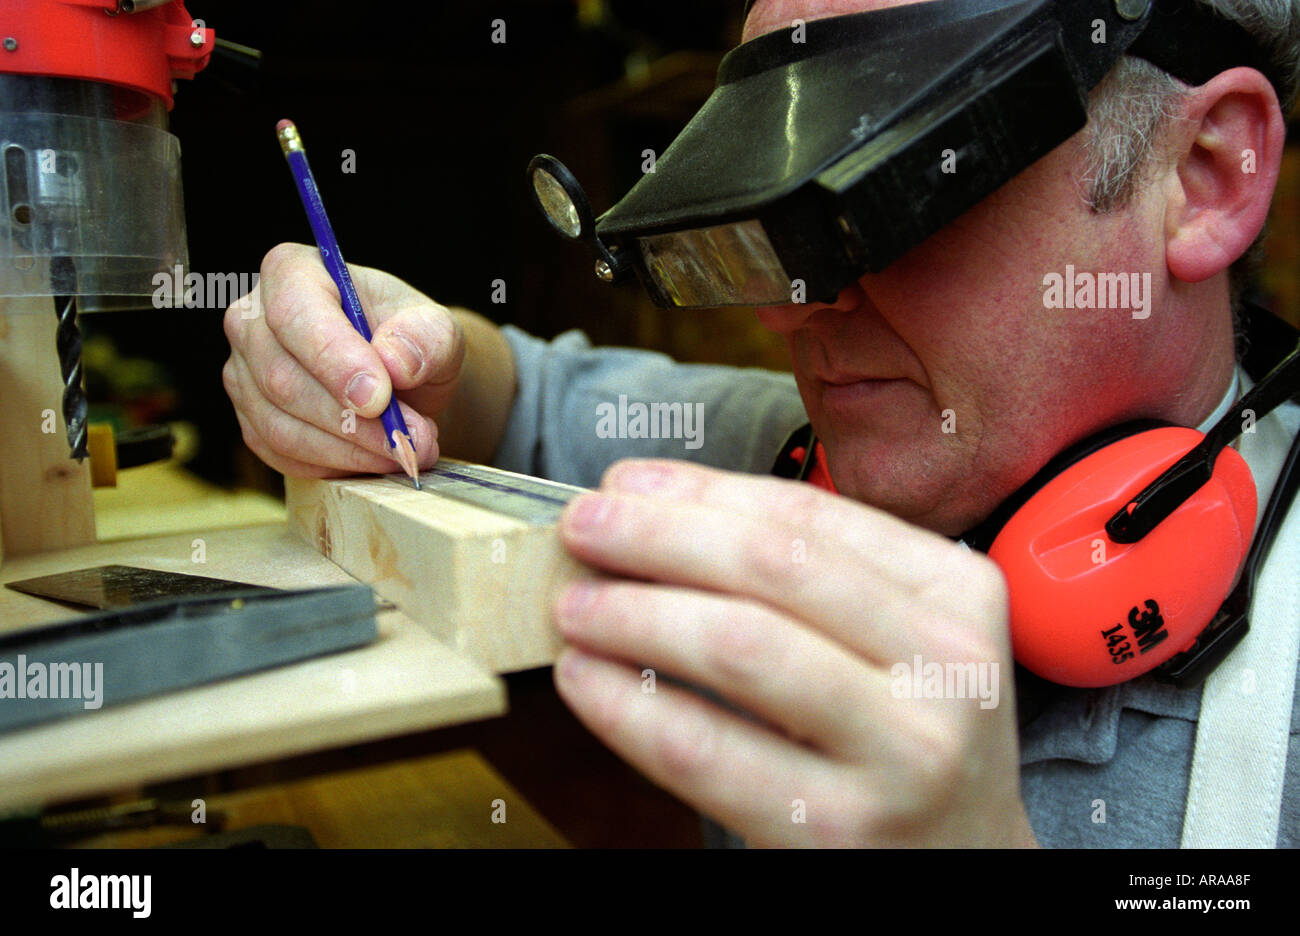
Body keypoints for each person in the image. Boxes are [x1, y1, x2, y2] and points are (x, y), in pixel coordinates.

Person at [223, 0, 1300, 847]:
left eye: (890, 195)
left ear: (1204, 176)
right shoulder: (786, 467)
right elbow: (517, 399)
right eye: (772, 218)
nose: (786, 308)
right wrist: (379, 354)